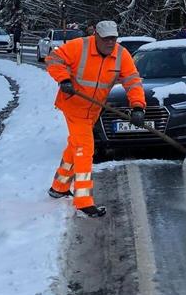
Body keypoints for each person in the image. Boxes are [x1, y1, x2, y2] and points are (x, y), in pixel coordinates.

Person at [44, 20, 146, 217]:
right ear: (96, 37)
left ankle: (59, 187)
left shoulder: (120, 55)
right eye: (106, 39)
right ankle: (83, 202)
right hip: (73, 105)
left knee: (75, 145)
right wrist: (64, 79)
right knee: (85, 148)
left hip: (94, 109)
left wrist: (137, 106)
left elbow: (132, 81)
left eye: (113, 39)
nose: (110, 43)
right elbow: (53, 59)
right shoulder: (79, 46)